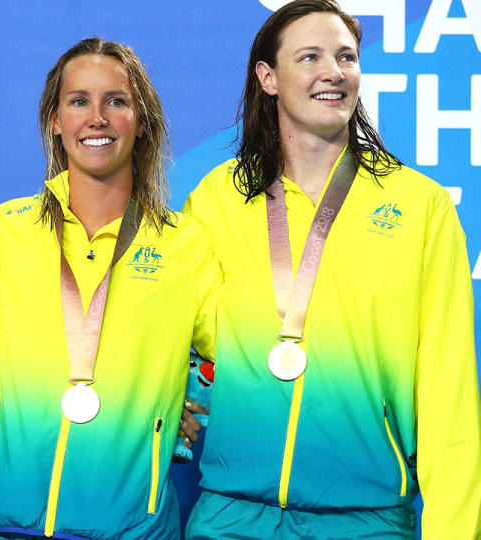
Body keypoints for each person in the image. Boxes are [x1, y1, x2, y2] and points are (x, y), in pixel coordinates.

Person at [182, 1, 481, 538]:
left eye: (346, 57)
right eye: (310, 56)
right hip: (228, 515)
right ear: (268, 78)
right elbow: (169, 327)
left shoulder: (419, 207)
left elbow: (448, 392)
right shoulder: (217, 200)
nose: (334, 72)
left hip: (365, 520)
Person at [0, 38, 218, 539]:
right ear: (55, 121)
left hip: (131, 527)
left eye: (117, 101)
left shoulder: (183, 243)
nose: (97, 117)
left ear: (141, 122)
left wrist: (182, 407)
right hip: (7, 521)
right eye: (79, 101)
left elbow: (238, 355)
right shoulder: (7, 229)